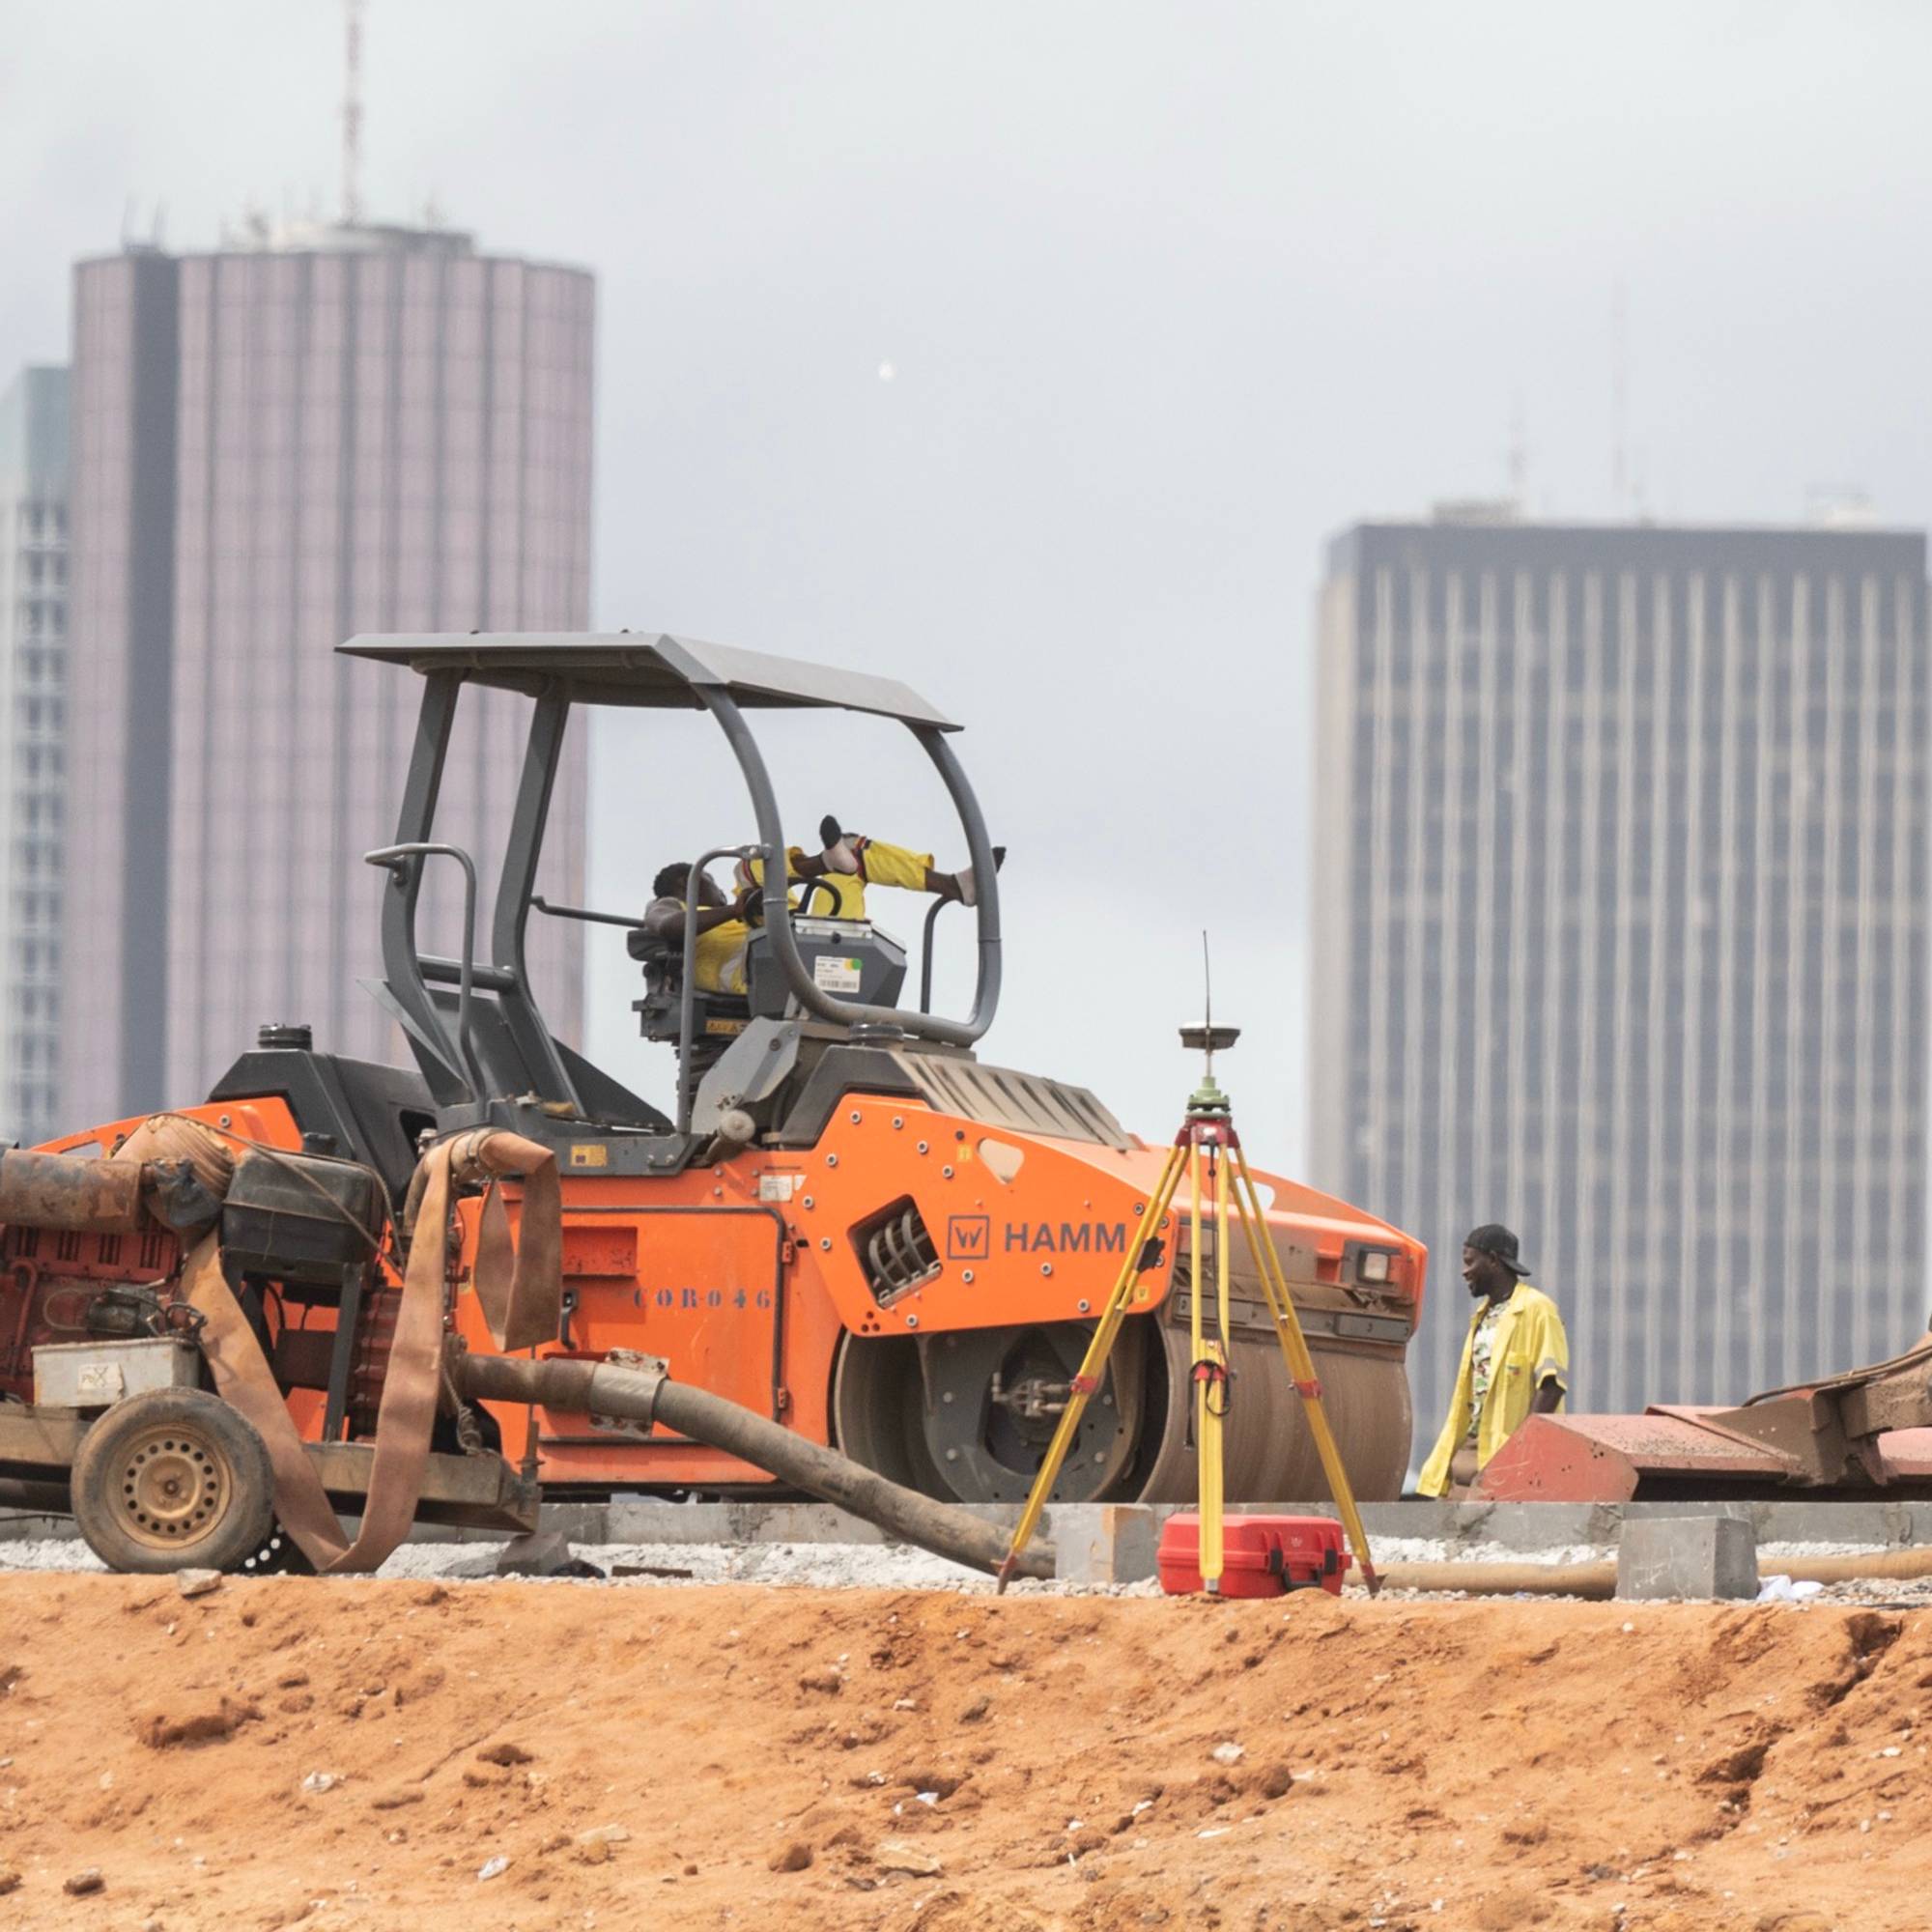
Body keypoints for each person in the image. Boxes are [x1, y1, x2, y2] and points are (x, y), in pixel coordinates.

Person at [1415, 1224, 1569, 1499]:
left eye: (1469, 1262)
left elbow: (1551, 1385)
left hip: (1510, 1455)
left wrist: (1522, 1449)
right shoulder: (1482, 1316)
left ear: (1494, 1260)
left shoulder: (1537, 1310)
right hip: (1472, 1449)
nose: (1464, 1272)